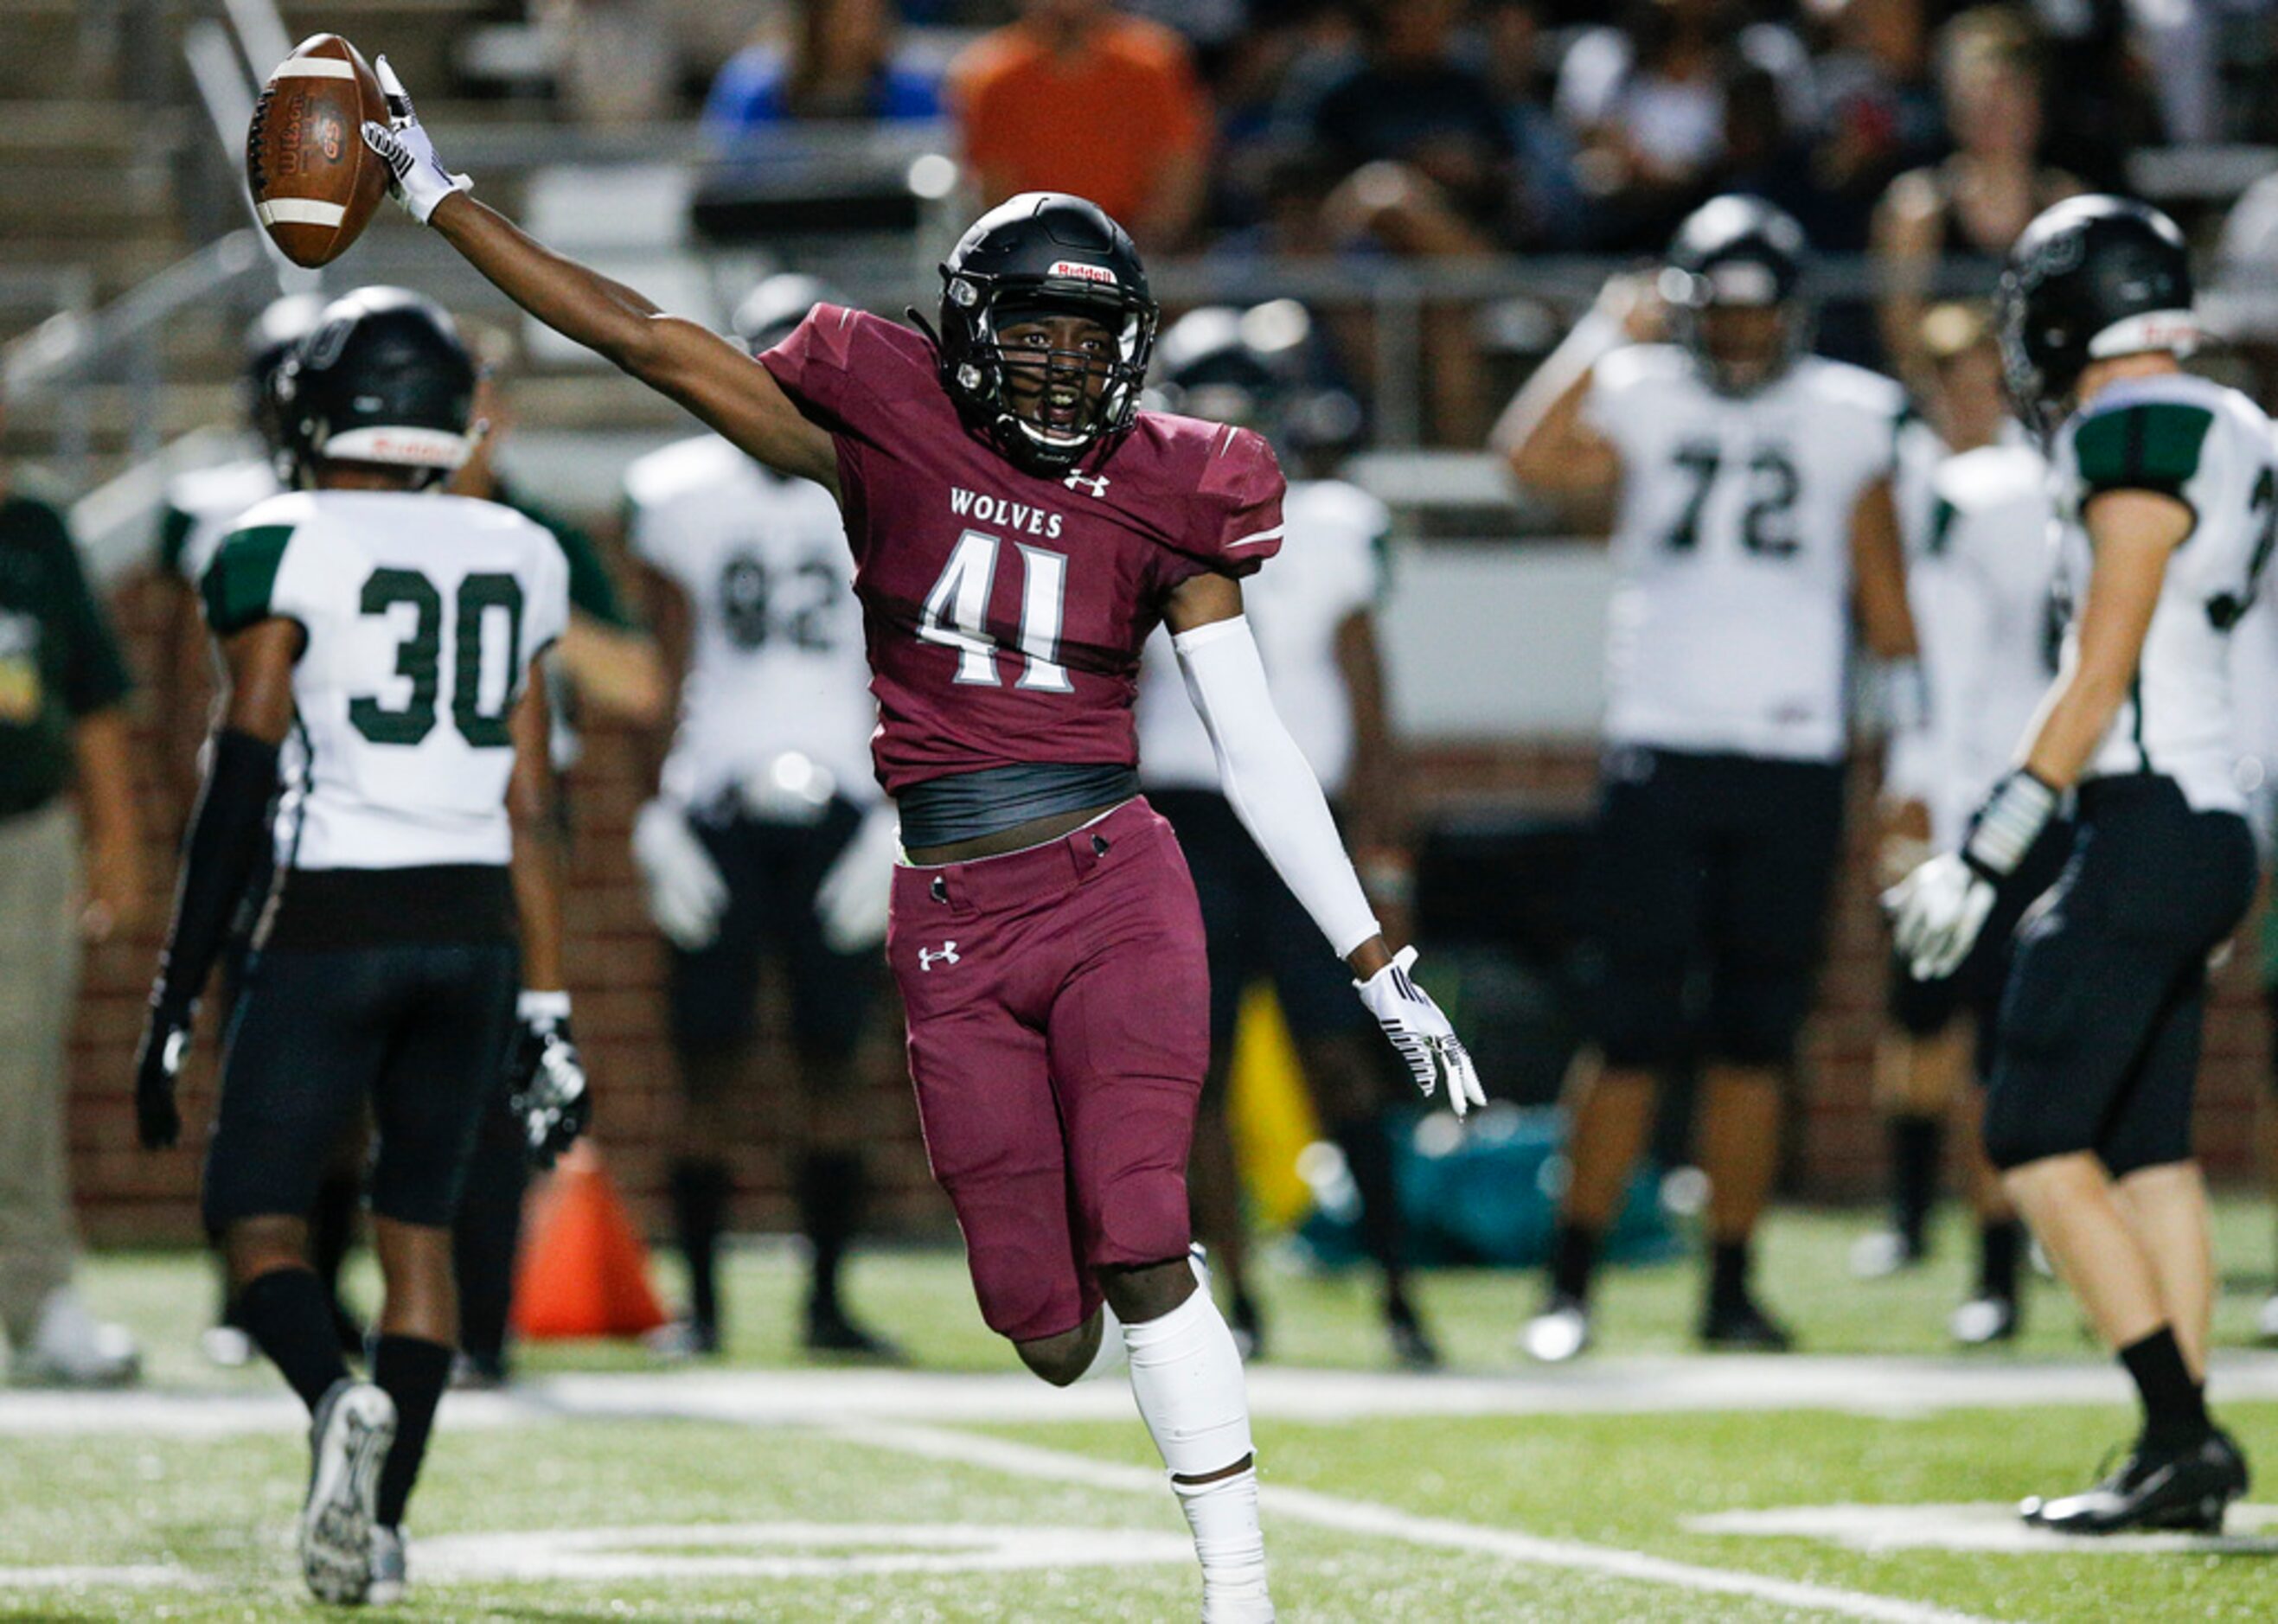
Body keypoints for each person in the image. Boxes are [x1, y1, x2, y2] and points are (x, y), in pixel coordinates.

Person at [366, 60, 1480, 1621]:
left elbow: (1256, 742)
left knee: (1145, 1227)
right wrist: (439, 198)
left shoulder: (1179, 487)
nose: (1051, 368)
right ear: (960, 337)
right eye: (1024, 333)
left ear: (1132, 348)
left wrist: (1375, 959)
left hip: (1114, 886)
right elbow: (641, 337)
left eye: (1084, 339)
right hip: (949, 909)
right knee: (1040, 1320)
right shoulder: (878, 432)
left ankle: (1239, 1587)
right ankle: (1145, 1347)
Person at [132, 289, 587, 1604]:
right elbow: (531, 803)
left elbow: (242, 779)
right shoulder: (519, 547)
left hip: (334, 913)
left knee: (253, 1218)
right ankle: (380, 1534)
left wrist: (176, 984)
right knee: (421, 1237)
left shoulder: (275, 536)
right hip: (474, 929)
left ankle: (332, 1397)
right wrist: (548, 1007)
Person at [1889, 196, 2266, 1535]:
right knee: (2147, 1148)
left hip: (2145, 810)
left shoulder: (2132, 427)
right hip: (2210, 813)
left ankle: (2180, 1429)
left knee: (2032, 1131)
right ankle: (2175, 1446)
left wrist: (1984, 853)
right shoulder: (2234, 422)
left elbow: (2098, 670)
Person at [1496, 195, 1922, 1360]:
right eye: (1717, 315)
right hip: (1662, 746)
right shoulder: (1637, 384)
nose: (1735, 338)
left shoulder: (1848, 414)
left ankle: (1729, 1284)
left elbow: (1889, 615)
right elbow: (1525, 459)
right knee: (1630, 1030)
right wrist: (1598, 332)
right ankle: (1569, 1277)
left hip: (1792, 753)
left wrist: (1913, 761)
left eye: (1753, 316)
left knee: (1753, 1035)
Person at [1135, 302, 1435, 1368]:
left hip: (1306, 818)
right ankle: (1238, 1298)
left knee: (1343, 1059)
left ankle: (1400, 1292)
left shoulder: (1337, 522)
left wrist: (1384, 859)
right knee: (1196, 1077)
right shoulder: (1132, 516)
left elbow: (1372, 706)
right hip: (1186, 820)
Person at [624, 273, 904, 1361]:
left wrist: (895, 813)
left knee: (838, 1066)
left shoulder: (884, 483)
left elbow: (910, 660)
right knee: (705, 1064)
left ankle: (827, 1304)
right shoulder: (681, 491)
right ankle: (702, 1307)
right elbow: (659, 668)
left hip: (844, 802)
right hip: (716, 804)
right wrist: (659, 813)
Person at [440, 332, 667, 1389]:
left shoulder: (537, 537)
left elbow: (635, 683)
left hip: (515, 821)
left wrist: (510, 587)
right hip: (382, 816)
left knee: (497, 1070)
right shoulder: (353, 520)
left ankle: (480, 1323)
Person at [151, 292, 368, 1372]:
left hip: (345, 815)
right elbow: (186, 681)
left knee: (340, 1082)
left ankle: (322, 1284)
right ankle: (243, 1286)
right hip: (258, 808)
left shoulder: (368, 505)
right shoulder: (215, 508)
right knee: (249, 1069)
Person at [1854, 303, 2058, 1347]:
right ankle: (1929, 1223)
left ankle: (2011, 1255)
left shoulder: (2031, 483)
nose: (1965, 395)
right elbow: (1910, 650)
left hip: (2030, 783)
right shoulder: (1918, 478)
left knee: (2016, 1035)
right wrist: (1916, 774)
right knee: (1929, 1011)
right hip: (1964, 780)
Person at [0, 454, 142, 1387]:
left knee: (20, 1064)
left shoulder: (36, 529)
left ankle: (37, 1291)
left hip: (23, 827)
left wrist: (118, 841)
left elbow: (92, 697)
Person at [1870, 6, 2082, 396]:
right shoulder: (1917, 208)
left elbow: (2080, 325)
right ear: (1952, 106)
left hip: (2043, 401)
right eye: (1978, 95)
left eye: (2007, 92)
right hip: (1945, 414)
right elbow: (1900, 340)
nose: (1993, 109)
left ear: (2034, 103)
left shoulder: (2065, 204)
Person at [946, 0, 1213, 250]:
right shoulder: (989, 76)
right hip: (1034, 253)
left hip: (1142, 252)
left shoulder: (1154, 63)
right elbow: (992, 182)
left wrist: (1140, 247)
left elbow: (1180, 164)